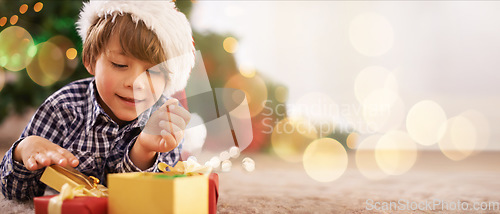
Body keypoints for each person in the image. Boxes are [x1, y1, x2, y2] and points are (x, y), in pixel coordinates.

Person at [0, 0, 194, 200]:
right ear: (90, 61)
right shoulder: (62, 109)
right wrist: (24, 150)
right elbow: (16, 194)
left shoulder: (164, 119)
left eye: (153, 71)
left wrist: (144, 150)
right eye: (120, 65)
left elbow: (149, 201)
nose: (137, 84)